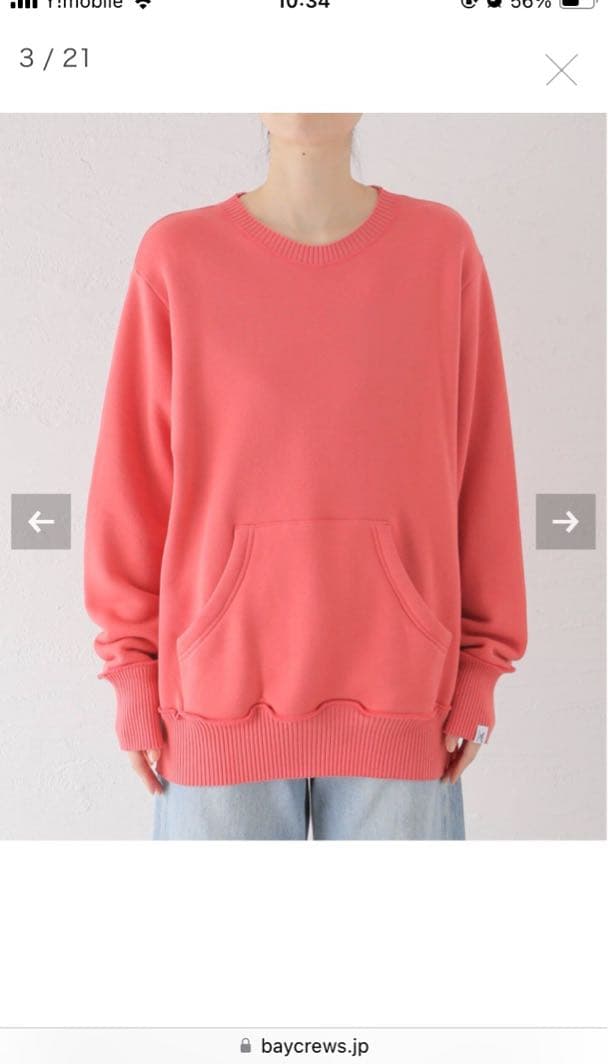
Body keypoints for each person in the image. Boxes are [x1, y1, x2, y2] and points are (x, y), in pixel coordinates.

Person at [84, 113, 527, 840]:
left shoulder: (439, 248)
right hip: (216, 700)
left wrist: (482, 665)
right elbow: (132, 483)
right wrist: (131, 670)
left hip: (406, 696)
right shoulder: (178, 255)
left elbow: (482, 467)